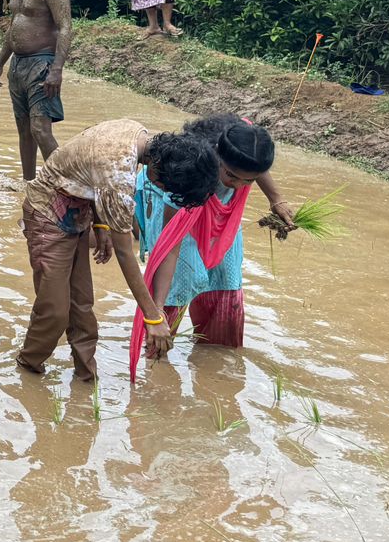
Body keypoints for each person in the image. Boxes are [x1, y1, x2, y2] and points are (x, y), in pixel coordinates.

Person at [16, 119, 217, 381]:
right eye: (165, 186)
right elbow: (125, 254)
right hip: (47, 214)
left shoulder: (137, 131)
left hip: (78, 210)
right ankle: (27, 369)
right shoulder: (119, 173)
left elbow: (89, 168)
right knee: (54, 310)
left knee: (82, 306)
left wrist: (100, 224)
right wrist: (153, 317)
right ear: (160, 169)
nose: (161, 189)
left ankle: (86, 378)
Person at [131, 115, 294, 380]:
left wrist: (276, 198)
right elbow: (170, 247)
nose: (239, 186)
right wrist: (156, 311)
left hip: (222, 213)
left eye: (248, 181)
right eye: (231, 176)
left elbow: (254, 166)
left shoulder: (245, 143)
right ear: (216, 156)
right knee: (182, 278)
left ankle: (217, 365)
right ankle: (155, 362)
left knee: (226, 279)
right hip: (182, 200)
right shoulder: (185, 172)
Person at [0, 0, 73, 181]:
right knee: (24, 130)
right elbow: (14, 27)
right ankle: (28, 184)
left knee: (40, 129)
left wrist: (57, 69)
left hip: (42, 63)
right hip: (18, 64)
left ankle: (65, 185)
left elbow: (65, 27)